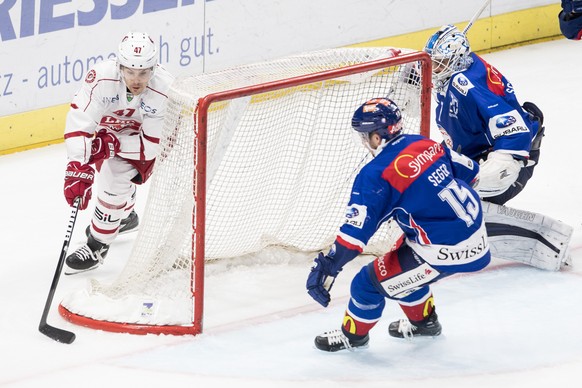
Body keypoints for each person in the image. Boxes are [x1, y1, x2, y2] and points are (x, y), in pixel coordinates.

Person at [306, 98, 490, 352]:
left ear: (377, 136)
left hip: (446, 251)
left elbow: (353, 239)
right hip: (477, 236)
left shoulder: (376, 174)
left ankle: (353, 337)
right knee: (398, 263)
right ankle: (424, 324)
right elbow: (473, 173)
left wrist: (329, 266)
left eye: (365, 135)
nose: (363, 141)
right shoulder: (422, 142)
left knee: (366, 283)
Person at [422, 25, 572, 271]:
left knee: (456, 207)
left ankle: (547, 239)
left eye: (440, 63)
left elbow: (514, 127)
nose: (434, 68)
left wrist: (502, 163)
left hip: (510, 157)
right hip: (471, 152)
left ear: (456, 60)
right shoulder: (454, 72)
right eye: (433, 62)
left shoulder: (466, 84)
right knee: (431, 190)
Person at [63, 32, 175, 274]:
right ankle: (125, 217)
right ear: (119, 65)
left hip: (143, 143)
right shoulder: (101, 78)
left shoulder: (165, 90)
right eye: (130, 71)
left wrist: (114, 145)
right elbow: (80, 120)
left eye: (144, 72)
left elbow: (153, 145)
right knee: (107, 170)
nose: (136, 79)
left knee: (113, 179)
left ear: (153, 69)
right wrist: (77, 167)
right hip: (110, 131)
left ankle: (97, 246)